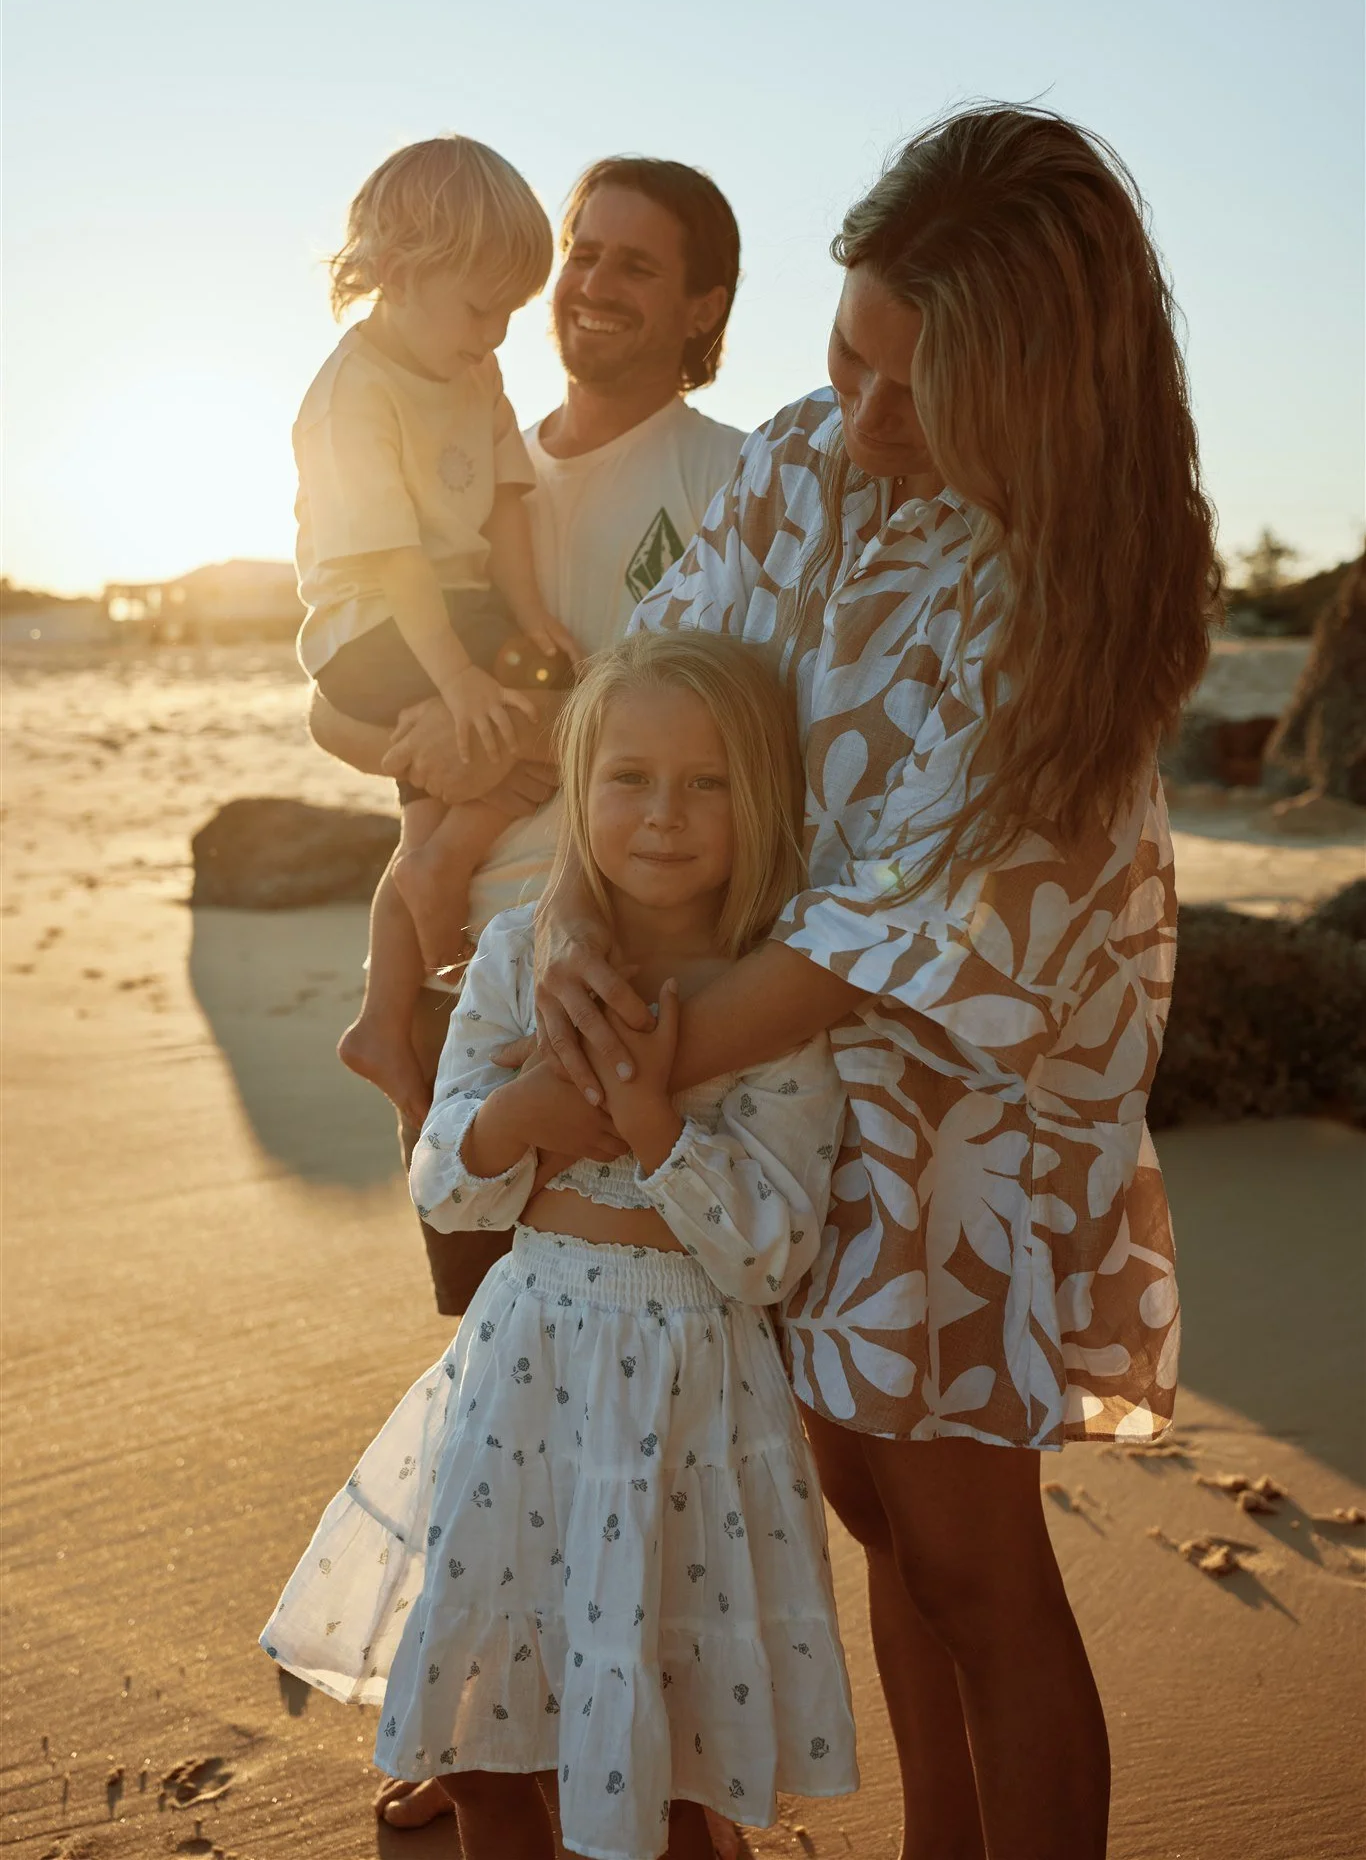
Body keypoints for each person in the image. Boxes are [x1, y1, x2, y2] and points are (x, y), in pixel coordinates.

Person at [532, 106, 1220, 1860]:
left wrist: (626, 1070)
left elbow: (888, 939)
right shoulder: (801, 459)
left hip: (968, 1092)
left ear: (1046, 387)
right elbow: (656, 690)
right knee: (866, 1495)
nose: (869, 413)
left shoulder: (1072, 583)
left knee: (972, 1548)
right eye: (852, 352)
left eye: (924, 388)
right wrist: (566, 915)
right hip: (791, 1064)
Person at [260, 632, 860, 1860]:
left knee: (677, 1762)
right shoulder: (513, 958)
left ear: (763, 800)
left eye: (708, 782)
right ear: (579, 790)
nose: (664, 814)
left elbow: (768, 1255)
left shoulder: (774, 997)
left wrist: (653, 1128)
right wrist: (515, 1118)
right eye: (629, 777)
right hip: (525, 1372)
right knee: (487, 1738)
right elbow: (444, 1188)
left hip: (693, 1398)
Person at [294, 134, 581, 1130]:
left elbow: (503, 499)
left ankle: (381, 1016)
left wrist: (532, 607)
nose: (496, 335)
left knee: (437, 812)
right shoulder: (352, 393)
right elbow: (393, 561)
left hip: (457, 607)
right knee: (539, 737)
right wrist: (460, 679)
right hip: (368, 623)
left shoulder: (472, 372)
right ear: (400, 271)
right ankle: (444, 860)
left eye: (511, 311)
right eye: (478, 307)